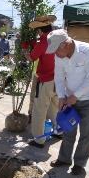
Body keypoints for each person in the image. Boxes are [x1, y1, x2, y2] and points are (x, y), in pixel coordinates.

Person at [47, 29, 89, 175]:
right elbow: (58, 77)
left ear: (66, 44)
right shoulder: (59, 56)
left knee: (86, 133)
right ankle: (64, 159)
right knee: (68, 129)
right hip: (70, 99)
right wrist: (62, 96)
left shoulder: (88, 51)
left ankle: (80, 163)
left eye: (56, 50)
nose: (55, 54)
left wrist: (74, 96)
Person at [24, 15, 60, 148]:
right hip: (57, 80)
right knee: (53, 108)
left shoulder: (43, 42)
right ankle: (59, 131)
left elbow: (32, 57)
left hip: (45, 80)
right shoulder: (56, 40)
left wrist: (25, 52)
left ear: (40, 30)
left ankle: (39, 140)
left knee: (40, 110)